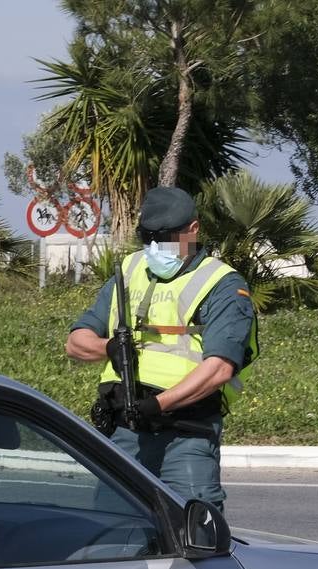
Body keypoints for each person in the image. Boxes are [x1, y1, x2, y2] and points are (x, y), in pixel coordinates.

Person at [65, 186, 258, 510]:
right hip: (125, 430)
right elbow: (75, 343)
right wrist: (108, 346)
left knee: (194, 531)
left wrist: (158, 405)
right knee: (113, 529)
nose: (156, 247)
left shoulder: (222, 284)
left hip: (186, 433)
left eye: (166, 238)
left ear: (193, 230)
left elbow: (220, 368)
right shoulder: (129, 271)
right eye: (148, 237)